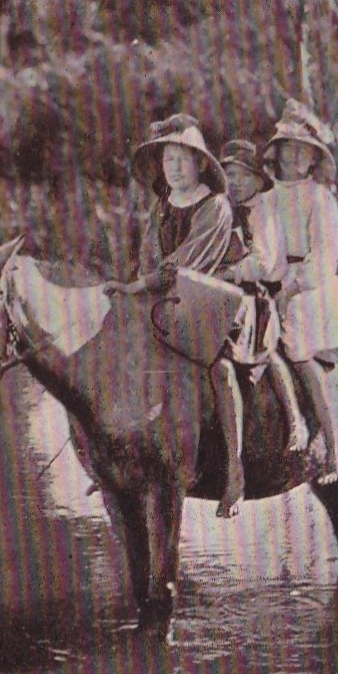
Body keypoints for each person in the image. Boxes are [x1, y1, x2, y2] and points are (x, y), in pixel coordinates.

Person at [106, 113, 246, 517]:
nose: (176, 167)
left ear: (201, 163)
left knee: (220, 368)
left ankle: (235, 471)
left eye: (183, 159)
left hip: (211, 298)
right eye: (169, 160)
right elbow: (149, 257)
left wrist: (144, 285)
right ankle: (123, 456)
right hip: (165, 299)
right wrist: (137, 289)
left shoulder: (214, 206)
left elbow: (191, 262)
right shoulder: (162, 206)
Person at [262, 99, 338, 484]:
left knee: (296, 341)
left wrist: (290, 287)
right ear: (279, 152)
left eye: (305, 149)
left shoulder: (320, 200)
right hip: (272, 279)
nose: (297, 155)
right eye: (291, 147)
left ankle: (335, 450)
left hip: (312, 289)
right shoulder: (266, 198)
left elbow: (324, 259)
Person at [216, 139, 314, 456]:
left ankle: (295, 418)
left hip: (259, 294)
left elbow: (265, 262)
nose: (236, 182)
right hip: (224, 294)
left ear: (259, 180)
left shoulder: (263, 212)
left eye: (244, 175)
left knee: (266, 347)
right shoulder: (222, 211)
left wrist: (230, 273)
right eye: (230, 175)